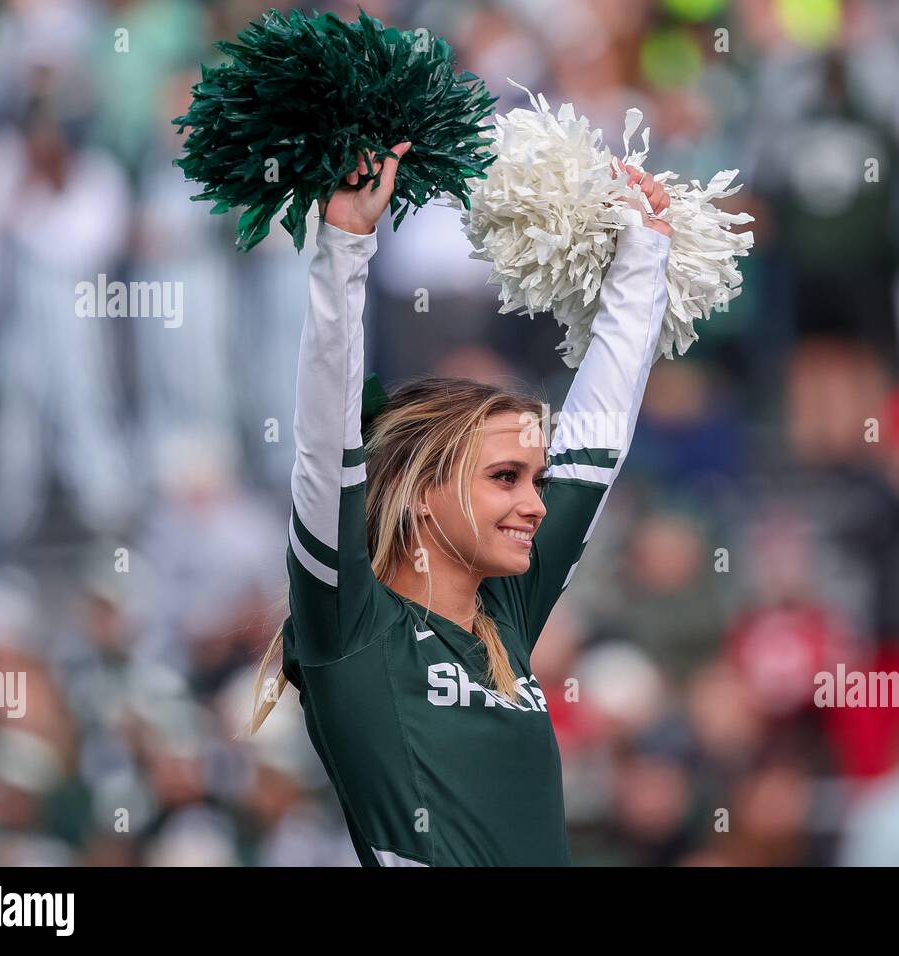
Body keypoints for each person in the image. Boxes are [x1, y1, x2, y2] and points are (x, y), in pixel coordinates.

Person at [246, 141, 674, 866]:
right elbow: (327, 446)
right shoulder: (350, 624)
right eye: (505, 477)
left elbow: (597, 448)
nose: (536, 505)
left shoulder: (504, 615)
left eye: (536, 479)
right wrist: (346, 246)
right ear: (420, 494)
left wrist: (642, 257)